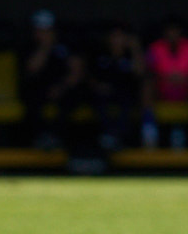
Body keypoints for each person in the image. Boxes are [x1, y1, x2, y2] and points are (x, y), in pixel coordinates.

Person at [20, 9, 84, 150]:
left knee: (71, 99)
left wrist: (61, 87)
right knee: (32, 100)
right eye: (40, 30)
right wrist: (45, 47)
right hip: (39, 89)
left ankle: (58, 139)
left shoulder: (67, 45)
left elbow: (76, 73)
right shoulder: (29, 46)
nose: (43, 34)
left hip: (63, 88)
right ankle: (40, 139)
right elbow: (32, 69)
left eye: (47, 30)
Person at [143, 19, 188, 149]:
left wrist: (184, 79)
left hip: (186, 90)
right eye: (169, 31)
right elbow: (146, 71)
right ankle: (149, 132)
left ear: (180, 33)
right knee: (148, 84)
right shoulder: (155, 48)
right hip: (163, 90)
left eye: (175, 31)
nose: (172, 34)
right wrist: (166, 78)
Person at [88, 21, 143, 151]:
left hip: (126, 94)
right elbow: (90, 77)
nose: (117, 40)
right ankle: (108, 136)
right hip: (104, 93)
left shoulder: (131, 55)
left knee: (128, 102)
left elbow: (140, 72)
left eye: (120, 36)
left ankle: (119, 138)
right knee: (98, 100)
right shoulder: (101, 54)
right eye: (114, 36)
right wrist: (98, 85)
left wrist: (135, 49)